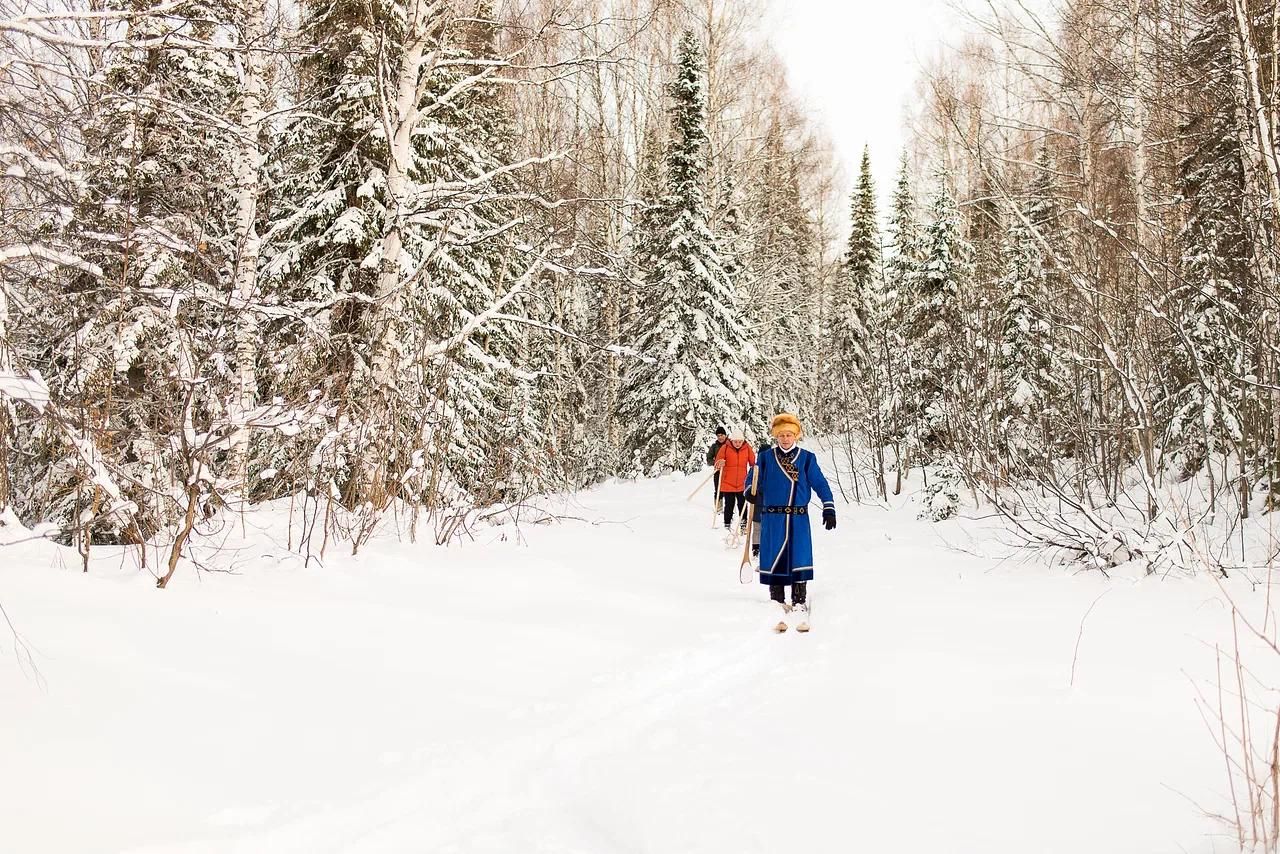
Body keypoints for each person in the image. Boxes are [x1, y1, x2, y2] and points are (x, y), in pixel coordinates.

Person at [744, 413, 835, 632]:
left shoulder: (806, 458)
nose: (785, 439)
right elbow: (751, 479)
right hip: (773, 518)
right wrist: (751, 493)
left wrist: (828, 505)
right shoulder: (765, 458)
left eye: (789, 435)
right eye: (782, 435)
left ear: (796, 436)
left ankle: (799, 601)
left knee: (798, 557)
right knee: (775, 557)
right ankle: (776, 600)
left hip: (798, 517)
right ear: (776, 436)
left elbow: (820, 483)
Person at [714, 428, 756, 532]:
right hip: (728, 482)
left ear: (743, 441)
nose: (737, 444)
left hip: (742, 483)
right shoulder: (725, 448)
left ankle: (743, 524)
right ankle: (727, 524)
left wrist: (755, 469)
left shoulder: (747, 448)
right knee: (729, 504)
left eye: (740, 442)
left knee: (742, 505)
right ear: (732, 441)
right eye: (735, 442)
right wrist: (720, 462)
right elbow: (717, 464)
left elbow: (753, 462)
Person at [705, 426, 728, 510]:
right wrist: (716, 463)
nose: (720, 437)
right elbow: (709, 459)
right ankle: (718, 508)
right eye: (718, 436)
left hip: (729, 471)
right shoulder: (714, 446)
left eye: (722, 435)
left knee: (729, 491)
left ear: (725, 435)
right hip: (718, 471)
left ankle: (729, 509)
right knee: (718, 490)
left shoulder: (730, 445)